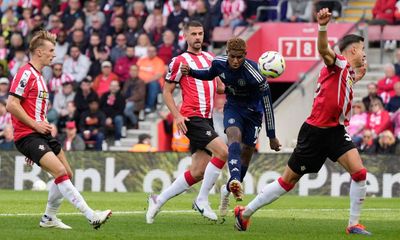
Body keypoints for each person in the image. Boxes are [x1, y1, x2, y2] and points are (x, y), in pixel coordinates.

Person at [232, 9, 371, 235]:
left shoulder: (346, 72)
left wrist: (358, 76)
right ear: (353, 49)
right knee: (288, 181)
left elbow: (343, 87)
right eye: (363, 50)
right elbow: (323, 50)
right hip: (315, 133)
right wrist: (323, 26)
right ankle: (245, 213)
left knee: (360, 173)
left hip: (336, 131)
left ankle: (353, 224)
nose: (365, 54)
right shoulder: (337, 63)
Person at [6, 30, 111, 229]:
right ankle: (91, 215)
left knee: (66, 174)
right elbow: (12, 104)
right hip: (29, 135)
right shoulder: (25, 73)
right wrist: (34, 128)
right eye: (51, 50)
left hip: (41, 135)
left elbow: (32, 109)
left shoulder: (40, 75)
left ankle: (48, 218)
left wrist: (40, 127)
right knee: (60, 171)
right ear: (39, 52)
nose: (54, 54)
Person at [181, 37, 281, 213]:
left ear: (245, 55)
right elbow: (208, 74)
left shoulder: (256, 75)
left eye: (240, 57)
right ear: (227, 53)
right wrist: (191, 72)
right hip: (233, 107)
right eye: (232, 56)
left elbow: (267, 106)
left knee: (247, 152)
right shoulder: (219, 63)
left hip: (253, 114)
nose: (235, 61)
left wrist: (271, 136)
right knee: (234, 135)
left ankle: (227, 190)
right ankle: (235, 179)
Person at [146, 21, 228, 224]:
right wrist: (177, 115)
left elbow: (219, 88)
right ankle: (202, 200)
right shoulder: (179, 61)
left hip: (207, 118)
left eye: (200, 33)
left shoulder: (211, 58)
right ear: (186, 36)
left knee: (199, 171)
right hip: (192, 118)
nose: (198, 37)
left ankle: (158, 199)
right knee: (223, 152)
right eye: (193, 34)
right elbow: (166, 92)